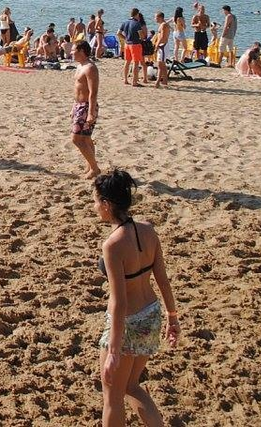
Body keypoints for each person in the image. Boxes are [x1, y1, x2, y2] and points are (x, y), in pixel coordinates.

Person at [93, 169, 179, 427]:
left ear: (107, 204)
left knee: (112, 397)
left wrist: (114, 351)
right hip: (151, 313)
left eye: (97, 201)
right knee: (132, 385)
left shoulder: (112, 245)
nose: (95, 207)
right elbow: (163, 280)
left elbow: (119, 302)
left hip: (127, 323)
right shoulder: (148, 230)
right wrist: (172, 317)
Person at [71, 40, 101, 179]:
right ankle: (90, 165)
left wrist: (90, 112)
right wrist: (74, 107)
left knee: (77, 139)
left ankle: (94, 168)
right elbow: (78, 88)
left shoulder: (90, 68)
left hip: (87, 106)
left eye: (74, 50)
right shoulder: (80, 66)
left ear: (82, 51)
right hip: (79, 105)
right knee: (87, 138)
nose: (71, 52)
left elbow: (93, 92)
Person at [118, 9, 147, 87]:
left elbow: (118, 33)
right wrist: (142, 38)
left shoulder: (125, 22)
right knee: (136, 62)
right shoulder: (136, 23)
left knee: (127, 62)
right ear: (137, 14)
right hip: (135, 44)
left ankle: (126, 79)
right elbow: (141, 35)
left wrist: (125, 38)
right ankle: (134, 81)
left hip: (127, 44)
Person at [151, 12, 170, 89]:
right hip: (162, 45)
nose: (155, 19)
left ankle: (158, 81)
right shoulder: (162, 25)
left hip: (163, 46)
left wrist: (157, 45)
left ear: (160, 17)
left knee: (160, 64)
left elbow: (162, 37)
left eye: (156, 17)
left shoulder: (164, 25)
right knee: (162, 65)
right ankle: (164, 81)